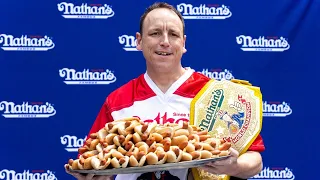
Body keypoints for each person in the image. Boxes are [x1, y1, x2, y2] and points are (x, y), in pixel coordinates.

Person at [65, 2, 265, 180]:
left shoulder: (214, 94)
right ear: (139, 41)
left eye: (173, 34)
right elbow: (93, 159)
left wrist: (235, 166)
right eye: (155, 33)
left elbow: (255, 159)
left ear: (183, 43)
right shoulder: (118, 100)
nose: (165, 41)